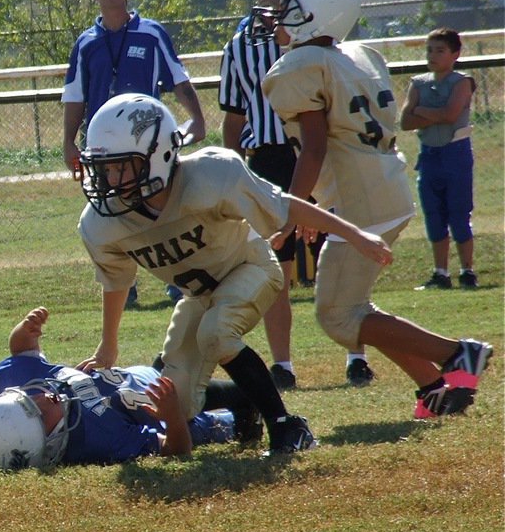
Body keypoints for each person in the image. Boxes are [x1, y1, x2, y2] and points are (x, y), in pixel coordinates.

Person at [76, 92, 395, 453]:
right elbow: (117, 280)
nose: (110, 180)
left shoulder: (211, 175)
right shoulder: (104, 223)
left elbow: (281, 204)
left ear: (160, 154)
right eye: (104, 168)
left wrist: (354, 234)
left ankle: (286, 427)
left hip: (250, 267)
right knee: (174, 404)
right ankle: (245, 400)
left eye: (121, 166)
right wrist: (108, 344)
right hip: (202, 294)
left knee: (216, 333)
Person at [258, 0, 492, 420]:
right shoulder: (360, 54)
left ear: (314, 12)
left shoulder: (301, 66)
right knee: (353, 305)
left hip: (359, 200)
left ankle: (455, 353)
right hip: (382, 187)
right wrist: (320, 206)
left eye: (285, 4)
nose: (273, 13)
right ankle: (435, 387)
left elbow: (315, 150)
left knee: (337, 315)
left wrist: (294, 212)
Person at [218, 0, 377, 392]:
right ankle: (283, 363)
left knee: (343, 251)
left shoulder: (322, 33)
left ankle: (356, 354)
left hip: (321, 151)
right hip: (269, 154)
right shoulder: (239, 43)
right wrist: (234, 166)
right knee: (275, 260)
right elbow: (235, 114)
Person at [62, 0, 206, 306]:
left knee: (165, 207)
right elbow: (75, 96)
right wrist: (68, 141)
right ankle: (124, 286)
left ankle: (178, 279)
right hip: (103, 148)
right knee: (111, 213)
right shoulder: (86, 43)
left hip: (147, 144)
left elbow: (179, 80)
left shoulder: (151, 33)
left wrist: (197, 119)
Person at [0, 307, 263, 472]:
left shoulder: (9, 389)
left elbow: (21, 352)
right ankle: (253, 414)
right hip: (179, 408)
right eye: (40, 411)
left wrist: (25, 330)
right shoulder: (99, 441)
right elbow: (174, 449)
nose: (42, 397)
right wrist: (174, 415)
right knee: (248, 397)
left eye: (28, 398)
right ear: (44, 447)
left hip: (144, 373)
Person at [400, 27, 478, 291]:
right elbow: (405, 121)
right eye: (429, 50)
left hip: (455, 154)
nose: (432, 55)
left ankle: (467, 270)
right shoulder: (418, 82)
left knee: (459, 213)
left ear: (455, 54)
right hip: (429, 155)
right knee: (434, 214)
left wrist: (421, 109)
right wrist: (430, 112)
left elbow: (451, 114)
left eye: (440, 50)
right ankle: (440, 272)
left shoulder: (461, 81)